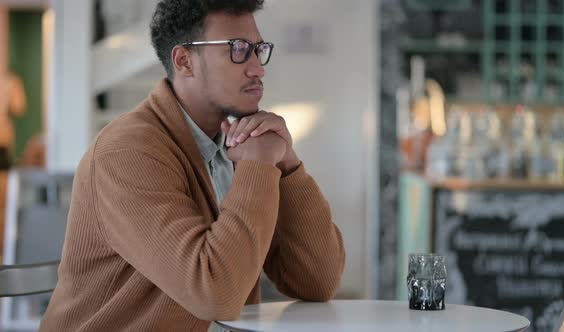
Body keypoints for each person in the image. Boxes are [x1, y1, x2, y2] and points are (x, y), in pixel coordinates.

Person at [40, 0, 345, 331]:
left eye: (259, 49)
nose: (258, 67)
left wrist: (287, 164)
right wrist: (258, 165)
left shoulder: (233, 147)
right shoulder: (127, 153)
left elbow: (318, 282)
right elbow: (215, 294)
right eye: (239, 49)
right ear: (184, 61)